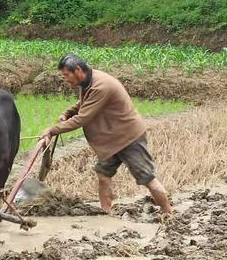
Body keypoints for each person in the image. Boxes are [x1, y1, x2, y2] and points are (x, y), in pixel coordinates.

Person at [40, 54, 172, 214]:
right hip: (111, 141)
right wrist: (67, 113)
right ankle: (106, 214)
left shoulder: (102, 86)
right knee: (103, 175)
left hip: (128, 138)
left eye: (66, 75)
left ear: (78, 70)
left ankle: (168, 215)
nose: (66, 79)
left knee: (147, 178)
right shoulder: (88, 81)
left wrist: (52, 130)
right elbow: (84, 103)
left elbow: (83, 118)